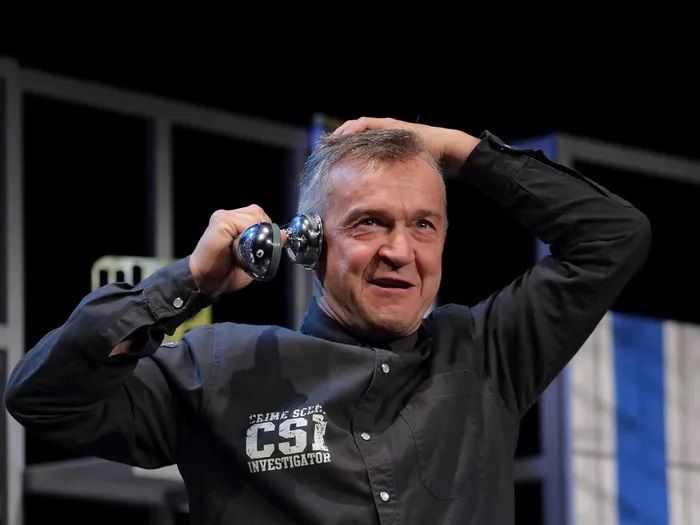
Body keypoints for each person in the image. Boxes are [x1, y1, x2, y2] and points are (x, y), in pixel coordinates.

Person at [5, 117, 651, 524]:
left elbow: (614, 236)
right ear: (308, 243)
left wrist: (453, 149)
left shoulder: (486, 353)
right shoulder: (222, 368)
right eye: (370, 222)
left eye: (423, 224)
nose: (400, 250)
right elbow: (45, 397)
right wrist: (189, 282)